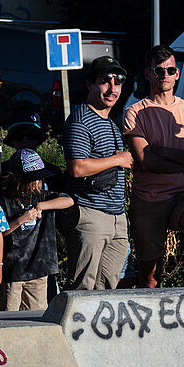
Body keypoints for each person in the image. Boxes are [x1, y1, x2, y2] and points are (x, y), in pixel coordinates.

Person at [123, 45, 184, 288]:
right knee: (149, 278)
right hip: (148, 197)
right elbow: (145, 161)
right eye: (158, 70)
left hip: (183, 194)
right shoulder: (135, 112)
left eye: (170, 70)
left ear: (177, 73)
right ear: (148, 74)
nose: (165, 75)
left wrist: (163, 152)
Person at [59, 56, 132, 290]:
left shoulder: (110, 122)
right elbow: (77, 167)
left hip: (116, 217)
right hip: (90, 214)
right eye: (105, 81)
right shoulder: (81, 120)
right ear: (90, 84)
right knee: (83, 288)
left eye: (118, 82)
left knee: (108, 288)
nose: (113, 88)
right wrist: (118, 159)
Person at [0, 150, 73, 311]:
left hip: (39, 269)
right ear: (17, 178)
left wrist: (42, 206)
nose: (37, 182)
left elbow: (69, 200)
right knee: (9, 317)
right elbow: (1, 232)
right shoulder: (4, 200)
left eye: (39, 177)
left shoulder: (42, 196)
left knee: (36, 318)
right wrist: (21, 220)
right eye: (33, 178)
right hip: (13, 272)